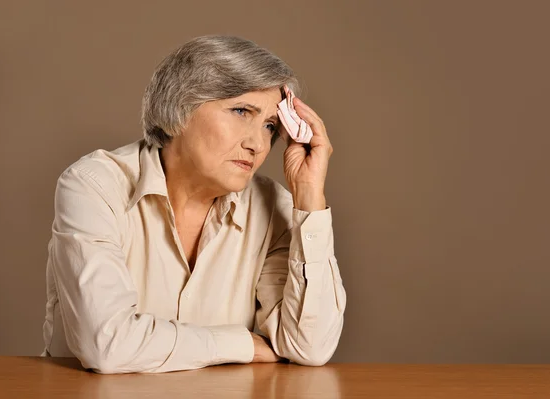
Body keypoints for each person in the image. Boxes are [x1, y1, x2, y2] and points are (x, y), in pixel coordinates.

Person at [41, 35, 346, 374]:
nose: (257, 144)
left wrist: (309, 195)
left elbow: (310, 346)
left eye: (270, 126)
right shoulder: (95, 185)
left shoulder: (274, 207)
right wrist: (244, 343)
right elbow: (106, 343)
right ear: (180, 107)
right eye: (242, 111)